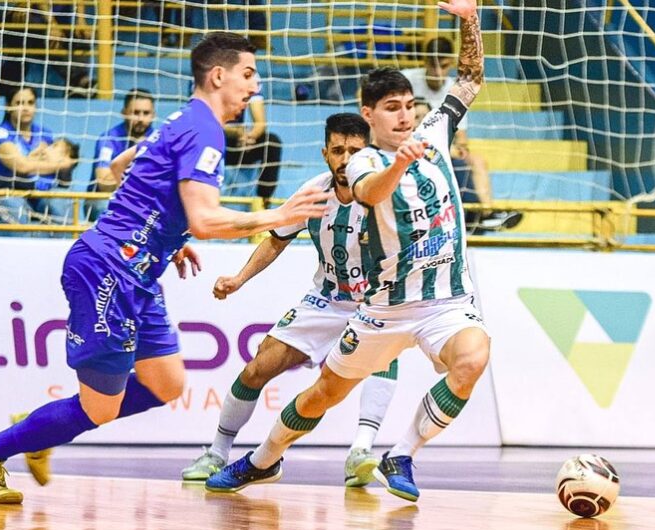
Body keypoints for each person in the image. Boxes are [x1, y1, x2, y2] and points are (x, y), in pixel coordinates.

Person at [0, 32, 332, 505]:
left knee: (167, 383)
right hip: (107, 270)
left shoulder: (181, 118)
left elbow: (123, 167)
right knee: (99, 409)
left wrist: (169, 234)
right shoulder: (204, 130)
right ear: (218, 75)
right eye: (248, 74)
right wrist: (279, 215)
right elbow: (205, 220)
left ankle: (40, 428)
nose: (256, 86)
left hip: (138, 273)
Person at [205, 0, 490, 503]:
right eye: (391, 108)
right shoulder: (362, 160)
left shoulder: (434, 132)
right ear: (369, 114)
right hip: (382, 309)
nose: (404, 116)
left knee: (473, 358)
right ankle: (261, 460)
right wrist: (399, 164)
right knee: (323, 395)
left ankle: (400, 453)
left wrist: (469, 20)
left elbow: (469, 77)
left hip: (447, 302)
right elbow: (372, 192)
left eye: (408, 106)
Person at [182, 113, 399, 488]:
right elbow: (276, 240)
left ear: (371, 156)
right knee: (256, 369)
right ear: (324, 153)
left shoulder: (387, 195)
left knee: (382, 352)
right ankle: (217, 451)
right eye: (337, 150)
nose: (346, 159)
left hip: (374, 302)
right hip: (326, 300)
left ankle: (360, 453)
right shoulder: (313, 193)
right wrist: (239, 279)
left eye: (354, 151)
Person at [402, 37, 521, 233]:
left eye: (443, 66)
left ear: (450, 62)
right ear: (425, 61)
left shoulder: (454, 89)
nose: (438, 72)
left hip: (439, 146)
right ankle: (478, 217)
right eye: (433, 66)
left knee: (477, 160)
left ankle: (487, 213)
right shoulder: (406, 80)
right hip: (409, 144)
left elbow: (462, 135)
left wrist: (461, 147)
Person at [0, 86, 76, 225]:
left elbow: (50, 167)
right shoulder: (0, 133)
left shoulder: (44, 133)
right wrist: (60, 165)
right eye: (19, 103)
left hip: (38, 194)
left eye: (30, 102)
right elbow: (21, 166)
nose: (26, 108)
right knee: (18, 210)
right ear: (8, 106)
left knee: (61, 203)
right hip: (5, 194)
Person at [87, 89, 156, 221]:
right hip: (104, 199)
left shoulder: (158, 140)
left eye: (146, 113)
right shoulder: (108, 139)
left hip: (144, 201)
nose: (141, 119)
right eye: (135, 113)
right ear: (124, 113)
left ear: (153, 115)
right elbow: (103, 183)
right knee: (107, 207)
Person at [223, 89, 282, 205]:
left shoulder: (252, 77)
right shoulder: (207, 74)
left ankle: (262, 202)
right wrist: (236, 131)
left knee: (271, 143)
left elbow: (260, 123)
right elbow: (205, 121)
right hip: (212, 139)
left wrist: (250, 136)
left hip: (237, 142)